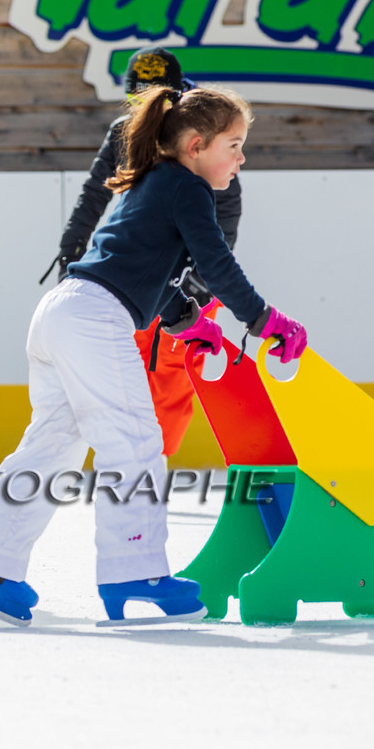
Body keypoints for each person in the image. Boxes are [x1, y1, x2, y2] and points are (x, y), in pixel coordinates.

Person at [0, 84, 307, 626]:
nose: (241, 158)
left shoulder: (152, 184)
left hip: (61, 312)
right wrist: (263, 319)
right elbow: (219, 265)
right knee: (135, 440)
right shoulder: (188, 189)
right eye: (234, 144)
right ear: (197, 145)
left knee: (55, 444)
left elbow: (143, 270)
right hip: (94, 319)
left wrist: (187, 323)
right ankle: (133, 571)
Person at [47, 46, 242, 458]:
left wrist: (198, 282)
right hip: (137, 275)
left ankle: (155, 463)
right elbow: (94, 194)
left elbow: (226, 208)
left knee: (170, 377)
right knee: (126, 368)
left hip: (187, 282)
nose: (148, 105)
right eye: (139, 97)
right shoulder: (126, 130)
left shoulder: (200, 132)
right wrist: (71, 252)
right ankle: (129, 463)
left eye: (158, 95)